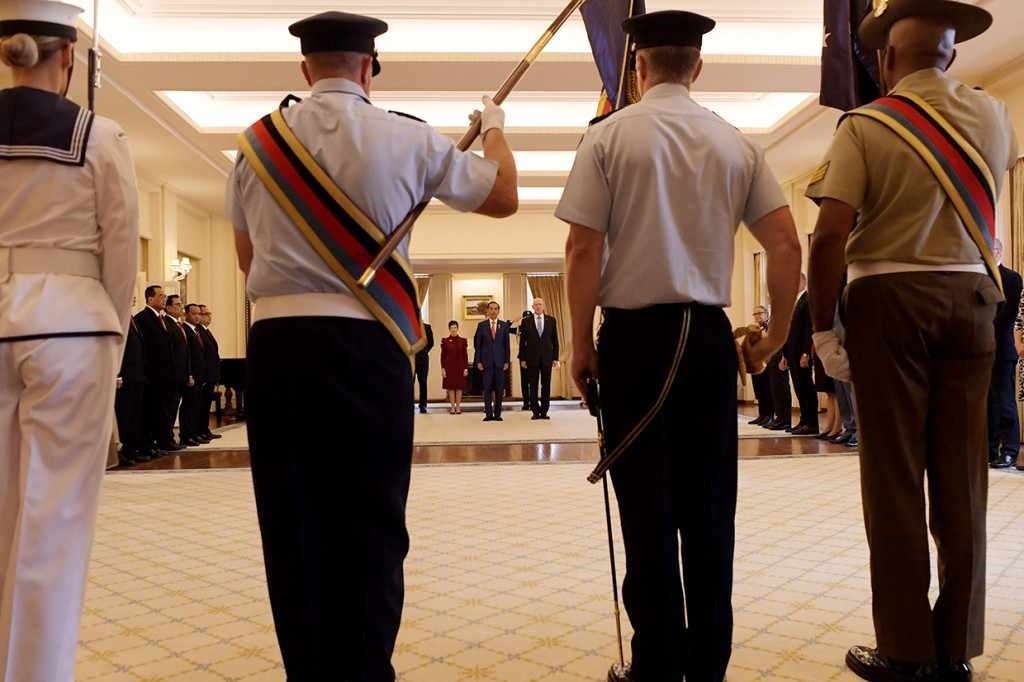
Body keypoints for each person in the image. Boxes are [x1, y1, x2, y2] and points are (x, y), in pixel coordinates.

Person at [226, 10, 517, 679]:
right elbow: (503, 195)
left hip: (278, 346)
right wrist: (494, 129)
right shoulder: (407, 138)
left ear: (305, 68)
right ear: (369, 67)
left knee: (291, 522)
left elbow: (247, 260)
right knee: (371, 522)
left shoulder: (257, 146)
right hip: (368, 347)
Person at [559, 10, 801, 682]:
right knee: (708, 507)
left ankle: (657, 664)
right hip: (708, 343)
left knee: (647, 507)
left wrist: (581, 345)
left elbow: (583, 247)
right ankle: (709, 663)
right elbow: (785, 243)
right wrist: (776, 334)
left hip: (635, 342)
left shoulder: (608, 138)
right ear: (698, 66)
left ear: (638, 68)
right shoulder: (734, 142)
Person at [806, 2, 1018, 680]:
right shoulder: (993, 115)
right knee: (963, 479)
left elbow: (831, 233)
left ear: (887, 61)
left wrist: (821, 329)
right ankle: (954, 649)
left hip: (890, 303)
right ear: (951, 56)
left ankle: (905, 649)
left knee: (895, 478)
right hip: (975, 302)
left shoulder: (866, 123)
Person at [0, 1, 140, 678]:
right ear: (69, 58)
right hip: (70, 326)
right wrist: (109, 343)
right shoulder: (100, 135)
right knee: (52, 522)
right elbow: (120, 259)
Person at [988, 239, 1022, 468]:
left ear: (998, 251)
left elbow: (1009, 314)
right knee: (986, 403)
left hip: (1002, 348)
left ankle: (1009, 450)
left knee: (1004, 401)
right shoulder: (979, 279)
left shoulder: (1011, 278)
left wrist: (983, 329)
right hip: (980, 349)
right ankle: (990, 450)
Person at [135, 285, 177, 457]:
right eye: (160, 296)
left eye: (165, 296)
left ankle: (154, 444)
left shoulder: (162, 319)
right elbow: (144, 348)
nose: (164, 299)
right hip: (152, 375)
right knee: (149, 412)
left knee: (159, 411)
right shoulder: (143, 318)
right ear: (150, 299)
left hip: (165, 375)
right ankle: (145, 445)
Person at [779, 273, 818, 435]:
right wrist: (785, 355)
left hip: (802, 351)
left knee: (806, 386)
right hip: (792, 351)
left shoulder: (807, 300)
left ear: (803, 282)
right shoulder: (794, 301)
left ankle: (812, 422)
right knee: (798, 387)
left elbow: (809, 328)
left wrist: (805, 353)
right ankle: (803, 419)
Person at [115, 297, 146, 466]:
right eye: (130, 295)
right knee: (124, 416)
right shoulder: (117, 318)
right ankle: (122, 452)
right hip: (125, 376)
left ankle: (133, 450)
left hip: (138, 375)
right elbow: (117, 347)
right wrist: (117, 374)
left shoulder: (131, 318)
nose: (133, 298)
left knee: (135, 416)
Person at [518, 297, 559, 419]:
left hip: (547, 358)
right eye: (536, 304)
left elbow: (555, 340)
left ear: (544, 306)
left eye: (540, 304)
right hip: (531, 358)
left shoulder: (551, 320)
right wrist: (523, 359)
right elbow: (522, 341)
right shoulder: (526, 321)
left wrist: (555, 357)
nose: (538, 306)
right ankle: (535, 411)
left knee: (546, 385)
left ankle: (544, 411)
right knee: (533, 385)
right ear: (532, 306)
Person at [474, 301, 511, 421]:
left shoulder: (504, 326)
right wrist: (478, 361)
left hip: (500, 362)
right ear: (488, 311)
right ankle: (488, 414)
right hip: (486, 362)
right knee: (487, 388)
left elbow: (507, 345)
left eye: (496, 309)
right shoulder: (481, 326)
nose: (493, 311)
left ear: (498, 311)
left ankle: (498, 413)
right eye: (491, 309)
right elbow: (478, 345)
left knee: (499, 389)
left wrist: (507, 361)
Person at [181, 303, 209, 446]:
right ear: (186, 314)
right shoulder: (184, 329)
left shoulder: (197, 330)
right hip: (192, 375)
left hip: (200, 374)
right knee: (189, 406)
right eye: (194, 313)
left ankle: (194, 432)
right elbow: (187, 355)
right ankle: (186, 434)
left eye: (199, 314)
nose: (197, 316)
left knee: (196, 405)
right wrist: (190, 373)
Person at [196, 305, 222, 440]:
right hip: (205, 375)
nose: (209, 316)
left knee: (206, 404)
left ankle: (204, 429)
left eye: (209, 313)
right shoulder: (198, 332)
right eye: (206, 314)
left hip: (211, 374)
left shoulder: (206, 331)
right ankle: (200, 430)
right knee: (202, 404)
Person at [748, 305, 774, 425]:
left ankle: (769, 415)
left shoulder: (770, 327)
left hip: (767, 362)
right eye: (755, 314)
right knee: (759, 388)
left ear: (766, 314)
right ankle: (762, 414)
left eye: (759, 313)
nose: (757, 316)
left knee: (767, 388)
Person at [440, 319, 468, 414]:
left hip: (460, 367)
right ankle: (452, 407)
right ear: (449, 329)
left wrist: (465, 368)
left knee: (459, 387)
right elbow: (442, 356)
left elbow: (465, 356)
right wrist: (443, 368)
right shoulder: (445, 341)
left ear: (458, 328)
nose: (454, 329)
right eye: (452, 327)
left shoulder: (462, 341)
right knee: (451, 387)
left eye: (455, 327)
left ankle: (458, 407)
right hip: (449, 367)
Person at [414, 322, 434, 414]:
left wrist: (424, 351)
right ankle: (410, 403)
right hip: (411, 358)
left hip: (423, 358)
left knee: (423, 383)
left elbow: (431, 343)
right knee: (410, 383)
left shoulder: (427, 327)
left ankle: (423, 405)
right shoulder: (409, 324)